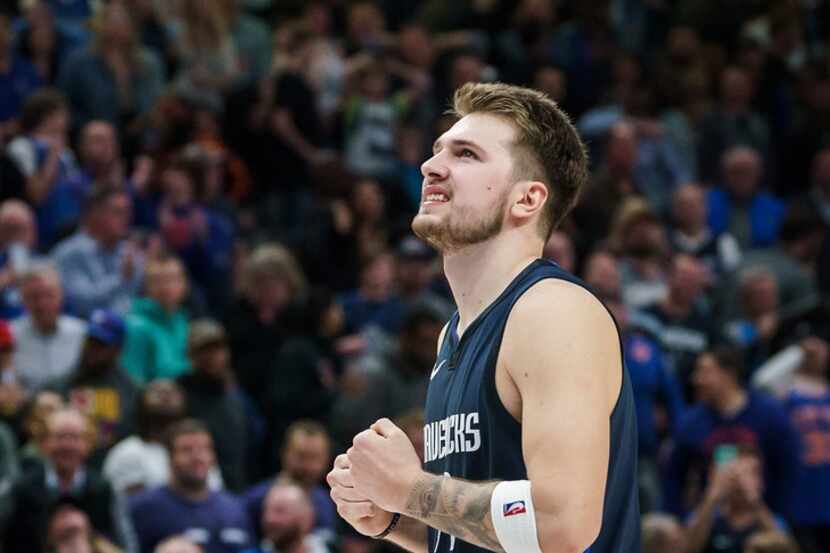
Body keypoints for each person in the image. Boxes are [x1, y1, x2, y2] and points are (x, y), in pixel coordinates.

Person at [327, 82, 639, 552]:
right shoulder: (453, 333)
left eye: (466, 154)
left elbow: (562, 526)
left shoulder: (551, 311)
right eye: (436, 152)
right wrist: (393, 519)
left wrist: (410, 490)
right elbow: (490, 532)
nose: (430, 167)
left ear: (527, 200)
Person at [2, 407, 133, 553]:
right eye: (60, 437)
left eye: (75, 438)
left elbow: (123, 543)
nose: (68, 445)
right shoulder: (22, 489)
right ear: (43, 443)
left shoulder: (103, 489)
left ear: (88, 443)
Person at [129, 419, 252, 553]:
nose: (197, 457)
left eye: (204, 449)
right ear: (170, 457)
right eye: (187, 450)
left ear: (213, 456)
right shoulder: (143, 507)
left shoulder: (235, 508)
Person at [47, 309, 139, 465]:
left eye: (101, 345)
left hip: (112, 463)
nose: (92, 349)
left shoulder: (130, 389)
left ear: (117, 350)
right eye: (90, 341)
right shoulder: (62, 384)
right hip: (67, 463)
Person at [11, 262, 86, 394]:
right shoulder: (10, 336)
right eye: (34, 297)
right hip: (24, 410)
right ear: (23, 300)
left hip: (71, 410)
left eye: (49, 295)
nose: (42, 304)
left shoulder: (82, 334)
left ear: (61, 295)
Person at [242, 483, 329, 553]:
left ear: (306, 518)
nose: (269, 519)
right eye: (265, 511)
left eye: (279, 511)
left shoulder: (331, 548)